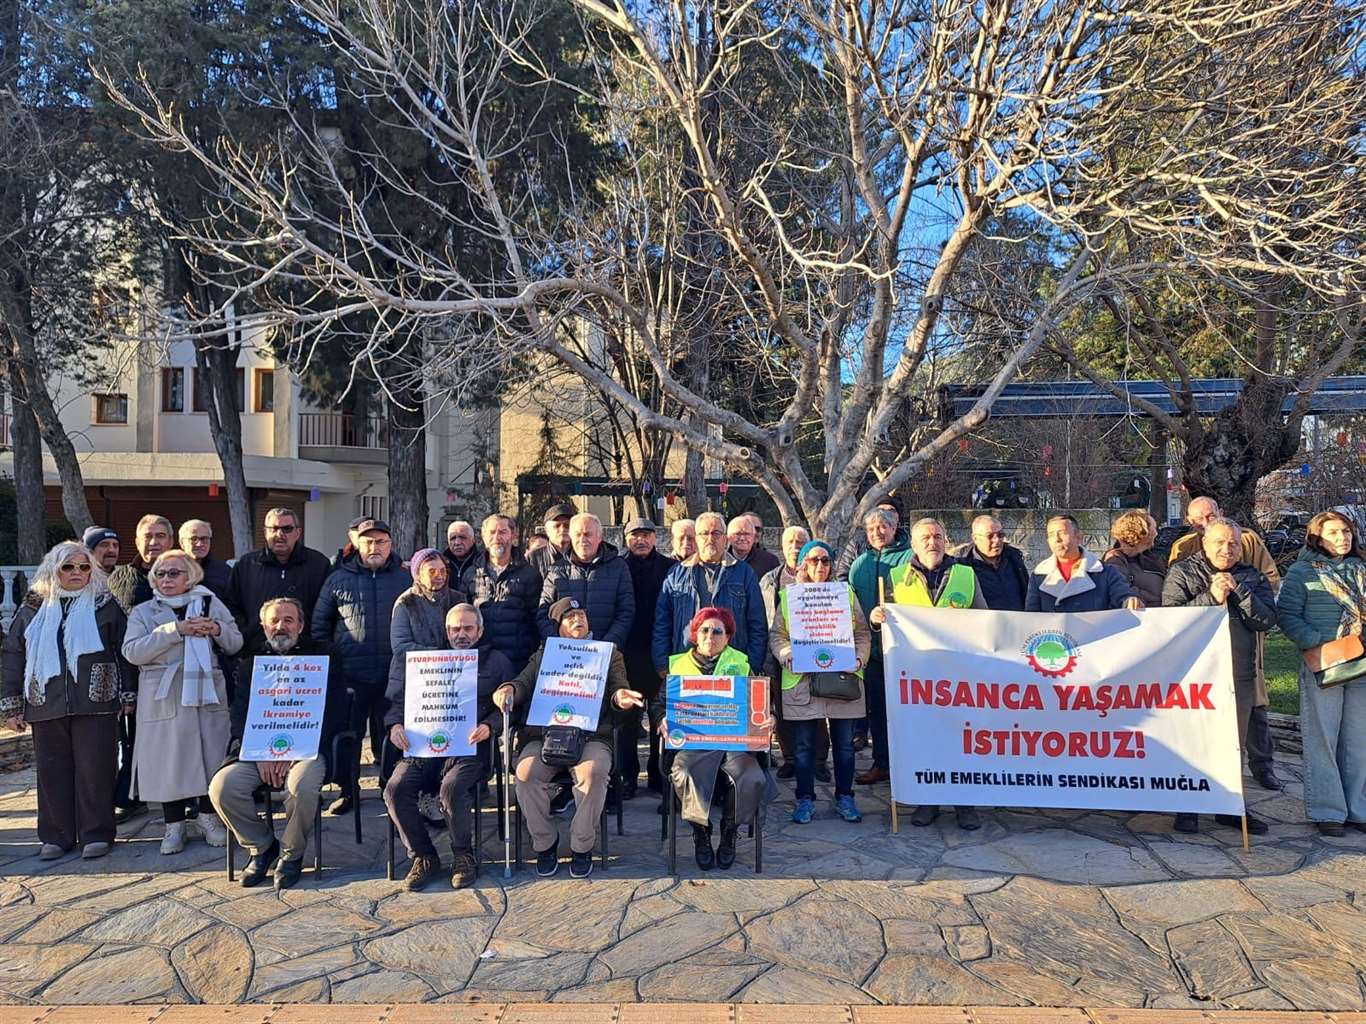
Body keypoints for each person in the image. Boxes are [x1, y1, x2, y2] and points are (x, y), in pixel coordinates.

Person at [1, 542, 132, 860]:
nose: (76, 572)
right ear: (54, 569)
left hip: (97, 701)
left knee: (96, 769)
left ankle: (96, 834)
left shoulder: (105, 605)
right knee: (52, 771)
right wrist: (11, 704)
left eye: (84, 567)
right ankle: (56, 836)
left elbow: (124, 651)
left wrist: (128, 693)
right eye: (68, 567)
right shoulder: (33, 607)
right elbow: (14, 653)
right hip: (45, 702)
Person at [210, 597, 350, 889]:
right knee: (222, 788)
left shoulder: (324, 657)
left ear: (300, 625)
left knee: (301, 788)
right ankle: (261, 846)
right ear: (263, 626)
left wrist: (295, 749)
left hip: (309, 750)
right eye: (274, 621)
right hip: (258, 752)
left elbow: (336, 711)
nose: (281, 626)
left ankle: (291, 854)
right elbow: (239, 717)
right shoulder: (250, 665)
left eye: (288, 620)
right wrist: (261, 753)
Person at [496, 597, 632, 878]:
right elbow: (523, 682)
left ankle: (582, 845)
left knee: (593, 773)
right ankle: (545, 843)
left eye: (581, 615)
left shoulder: (607, 653)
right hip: (545, 735)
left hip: (591, 735)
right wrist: (509, 689)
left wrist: (620, 697)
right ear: (558, 627)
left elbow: (618, 686)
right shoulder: (546, 653)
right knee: (526, 775)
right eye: (570, 617)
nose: (578, 620)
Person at [383, 604, 513, 890]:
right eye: (455, 629)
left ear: (480, 631)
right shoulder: (427, 662)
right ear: (447, 631)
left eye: (468, 628)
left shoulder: (496, 662)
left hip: (469, 749)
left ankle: (463, 855)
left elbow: (512, 708)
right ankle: (424, 856)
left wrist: (490, 725)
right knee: (395, 789)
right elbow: (399, 703)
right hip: (422, 747)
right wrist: (395, 726)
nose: (461, 634)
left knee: (451, 788)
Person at [122, 549, 243, 855]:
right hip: (164, 692)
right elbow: (132, 652)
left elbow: (236, 642)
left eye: (174, 573)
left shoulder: (210, 603)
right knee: (168, 759)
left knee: (210, 753)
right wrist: (175, 631)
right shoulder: (143, 612)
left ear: (190, 576)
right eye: (160, 574)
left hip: (206, 691)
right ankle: (173, 825)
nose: (166, 579)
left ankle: (208, 817)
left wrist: (216, 630)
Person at [1163, 518, 1276, 835]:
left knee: (1232, 743)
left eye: (1233, 543)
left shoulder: (1252, 576)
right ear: (1205, 543)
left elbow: (1266, 620)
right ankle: (1188, 807)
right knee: (1193, 741)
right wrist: (1210, 597)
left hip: (1237, 673)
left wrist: (1240, 591)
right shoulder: (1183, 572)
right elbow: (1169, 620)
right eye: (1219, 542)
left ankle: (1229, 806)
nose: (1227, 549)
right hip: (1195, 674)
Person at [879, 517, 988, 829]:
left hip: (957, 675)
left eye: (938, 536)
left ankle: (965, 804)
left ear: (946, 541)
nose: (932, 542)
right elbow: (888, 620)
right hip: (917, 677)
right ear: (913, 544)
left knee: (961, 738)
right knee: (925, 739)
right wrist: (877, 618)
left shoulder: (965, 574)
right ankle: (928, 800)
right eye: (925, 538)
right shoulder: (896, 577)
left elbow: (984, 620)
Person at [652, 606, 775, 869]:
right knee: (684, 772)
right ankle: (701, 832)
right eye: (704, 630)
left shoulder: (741, 664)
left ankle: (729, 832)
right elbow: (659, 705)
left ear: (727, 637)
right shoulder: (679, 665)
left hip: (734, 745)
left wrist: (769, 717)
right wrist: (662, 718)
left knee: (750, 776)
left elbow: (760, 705)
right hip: (694, 744)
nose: (710, 636)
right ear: (695, 634)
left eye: (718, 631)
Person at [1276, 510, 1366, 837]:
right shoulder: (1302, 572)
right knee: (1323, 739)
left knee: (1358, 741)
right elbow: (1287, 615)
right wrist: (1318, 642)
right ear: (1317, 537)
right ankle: (1328, 810)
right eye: (1334, 533)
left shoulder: (1361, 569)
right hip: (1325, 662)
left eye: (1346, 531)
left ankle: (1358, 808)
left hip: (1362, 662)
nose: (1342, 538)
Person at [312, 517, 409, 814]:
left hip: (393, 675)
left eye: (381, 541)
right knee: (350, 737)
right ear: (357, 544)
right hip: (351, 675)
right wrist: (334, 663)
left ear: (390, 544)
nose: (374, 547)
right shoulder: (338, 579)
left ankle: (390, 788)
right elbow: (319, 626)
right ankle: (349, 790)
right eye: (368, 541)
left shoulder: (405, 578)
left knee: (391, 735)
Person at [770, 540, 871, 825]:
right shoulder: (790, 597)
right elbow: (777, 635)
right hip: (802, 681)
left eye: (825, 560)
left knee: (845, 746)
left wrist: (859, 659)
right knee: (803, 747)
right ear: (803, 564)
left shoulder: (845, 594)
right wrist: (786, 654)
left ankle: (845, 797)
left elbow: (862, 633)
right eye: (813, 560)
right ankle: (805, 798)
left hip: (842, 679)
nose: (820, 566)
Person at [845, 508, 914, 786]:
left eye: (883, 526)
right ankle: (882, 763)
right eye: (871, 528)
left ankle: (908, 764)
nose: (877, 532)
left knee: (906, 712)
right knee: (876, 711)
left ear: (895, 527)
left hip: (905, 653)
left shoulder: (909, 559)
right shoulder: (859, 565)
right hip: (872, 653)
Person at [654, 511, 768, 675]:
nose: (710, 539)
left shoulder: (744, 573)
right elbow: (662, 622)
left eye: (716, 533)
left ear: (725, 539)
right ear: (696, 538)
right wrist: (662, 663)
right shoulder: (676, 574)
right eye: (704, 533)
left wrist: (752, 665)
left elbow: (757, 623)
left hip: (732, 667)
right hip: (686, 665)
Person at [760, 525, 827, 780]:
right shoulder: (770, 579)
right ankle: (790, 758)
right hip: (780, 654)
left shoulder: (821, 576)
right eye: (790, 542)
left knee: (818, 710)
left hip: (817, 654)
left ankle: (819, 761)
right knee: (783, 709)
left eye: (801, 542)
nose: (795, 547)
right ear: (782, 546)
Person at [226, 506, 331, 653]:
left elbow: (327, 610)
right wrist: (247, 634)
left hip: (307, 653)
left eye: (287, 529)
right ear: (265, 532)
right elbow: (232, 605)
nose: (279, 534)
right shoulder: (246, 565)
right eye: (273, 529)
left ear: (298, 532)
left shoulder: (319, 564)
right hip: (256, 651)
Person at [618, 517, 672, 799]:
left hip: (659, 651)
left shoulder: (669, 567)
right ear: (626, 538)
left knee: (659, 717)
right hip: (627, 653)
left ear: (655, 538)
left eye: (646, 535)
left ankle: (657, 774)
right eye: (635, 535)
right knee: (627, 719)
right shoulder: (618, 566)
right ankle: (627, 777)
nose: (640, 540)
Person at [536, 512, 635, 646]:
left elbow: (626, 612)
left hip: (606, 651)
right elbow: (543, 613)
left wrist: (606, 646)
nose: (582, 539)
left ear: (599, 537)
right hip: (564, 652)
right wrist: (558, 644)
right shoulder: (556, 570)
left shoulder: (619, 567)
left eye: (588, 534)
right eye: (578, 535)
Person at [461, 514, 542, 674]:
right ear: (484, 537)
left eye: (503, 532)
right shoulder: (471, 574)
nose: (497, 537)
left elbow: (536, 620)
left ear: (513, 535)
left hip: (518, 662)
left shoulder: (530, 575)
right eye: (492, 532)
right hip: (480, 661)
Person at [1026, 515, 1142, 613]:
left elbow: (1123, 596)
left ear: (1079, 538)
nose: (1057, 539)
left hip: (1093, 633)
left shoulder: (1105, 572)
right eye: (1051, 534)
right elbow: (1031, 617)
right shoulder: (1039, 575)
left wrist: (1130, 600)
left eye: (1062, 533)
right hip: (1054, 633)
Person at [392, 548, 463, 658]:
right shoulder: (406, 602)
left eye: (443, 571)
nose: (439, 576)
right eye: (432, 572)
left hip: (452, 666)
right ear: (418, 575)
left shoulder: (458, 599)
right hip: (412, 668)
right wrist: (440, 655)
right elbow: (401, 646)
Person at [956, 515, 1029, 611]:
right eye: (990, 536)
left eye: (1000, 535)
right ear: (975, 538)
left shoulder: (1014, 559)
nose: (997, 540)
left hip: (1019, 619)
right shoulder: (963, 567)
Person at [1103, 510, 1166, 609]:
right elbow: (1121, 590)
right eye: (1154, 529)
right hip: (1140, 614)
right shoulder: (1115, 559)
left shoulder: (1152, 557)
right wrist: (1156, 601)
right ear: (1141, 532)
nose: (1156, 533)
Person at [179, 519, 232, 603]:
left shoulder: (224, 571)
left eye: (204, 539)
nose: (199, 544)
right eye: (193, 539)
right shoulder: (172, 571)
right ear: (182, 543)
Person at [529, 502, 576, 578]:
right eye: (557, 526)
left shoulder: (583, 556)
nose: (562, 529)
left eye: (567, 525)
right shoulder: (532, 558)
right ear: (547, 530)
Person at [729, 514, 780, 579]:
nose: (742, 538)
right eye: (738, 533)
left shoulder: (770, 561)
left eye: (747, 533)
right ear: (728, 536)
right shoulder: (720, 559)